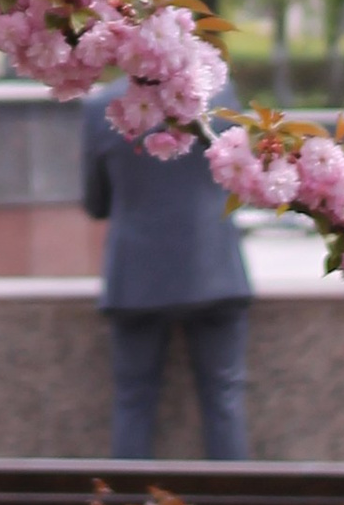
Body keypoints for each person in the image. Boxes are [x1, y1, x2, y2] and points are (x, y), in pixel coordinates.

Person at [81, 86, 252, 462]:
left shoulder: (101, 108)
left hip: (136, 278)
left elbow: (96, 202)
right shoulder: (220, 97)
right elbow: (243, 180)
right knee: (223, 400)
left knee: (133, 402)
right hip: (214, 270)